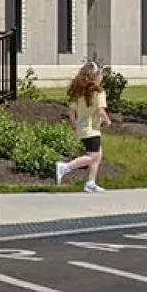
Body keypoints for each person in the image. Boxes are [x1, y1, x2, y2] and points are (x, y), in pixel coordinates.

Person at [53, 61, 110, 193]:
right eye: (100, 74)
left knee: (98, 155)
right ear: (95, 77)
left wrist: (75, 125)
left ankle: (90, 183)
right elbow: (100, 110)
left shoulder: (78, 92)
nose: (102, 77)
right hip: (92, 130)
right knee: (93, 157)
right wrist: (107, 121)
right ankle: (66, 167)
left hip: (82, 128)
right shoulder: (99, 92)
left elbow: (71, 112)